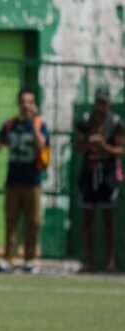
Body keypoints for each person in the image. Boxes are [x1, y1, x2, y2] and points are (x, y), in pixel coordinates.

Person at [0, 87, 51, 273]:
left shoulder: (39, 124)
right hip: (13, 180)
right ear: (18, 103)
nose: (26, 106)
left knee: (33, 222)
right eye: (23, 102)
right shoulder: (11, 124)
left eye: (29, 102)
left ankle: (30, 259)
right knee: (11, 220)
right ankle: (8, 258)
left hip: (32, 180)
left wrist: (33, 123)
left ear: (34, 104)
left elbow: (42, 145)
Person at [75, 86, 124, 272]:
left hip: (107, 174)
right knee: (87, 219)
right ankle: (88, 261)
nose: (101, 106)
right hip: (89, 172)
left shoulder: (115, 122)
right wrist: (90, 144)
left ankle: (110, 261)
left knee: (108, 219)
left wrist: (104, 146)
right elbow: (80, 148)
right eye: (98, 102)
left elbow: (120, 150)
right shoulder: (86, 121)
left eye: (104, 102)